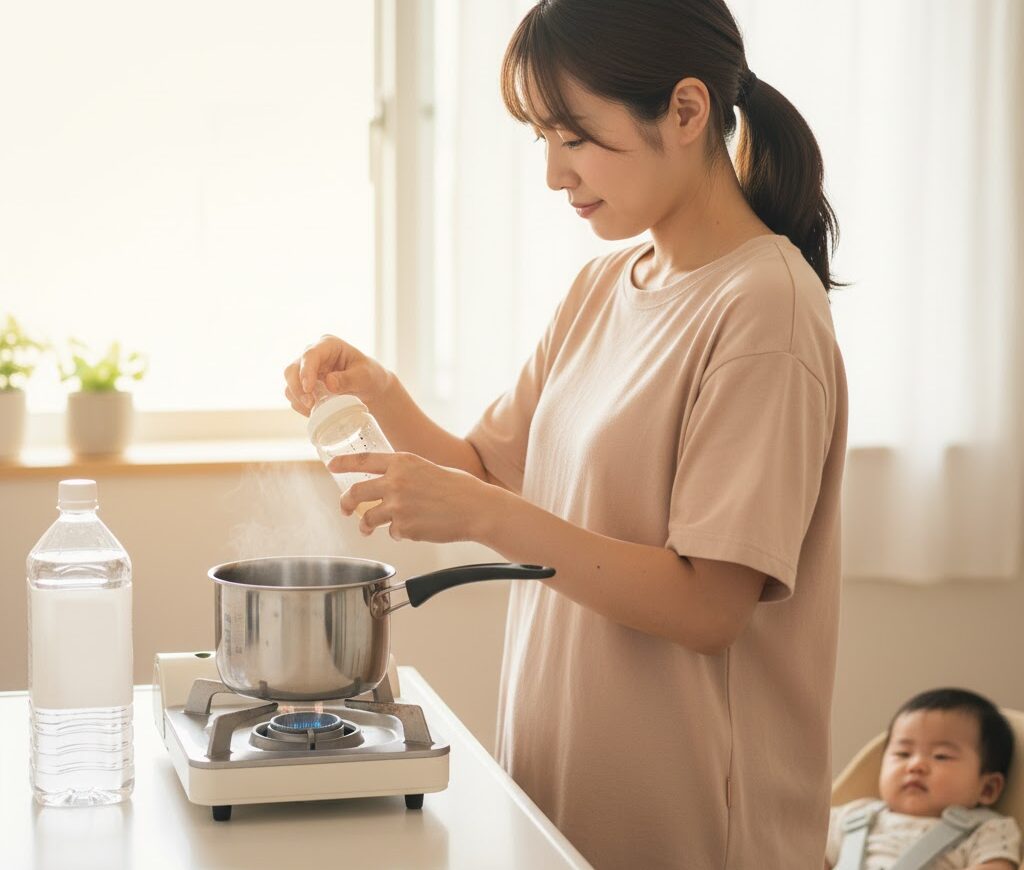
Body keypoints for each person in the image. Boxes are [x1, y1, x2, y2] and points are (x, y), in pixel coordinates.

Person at [284, 1, 847, 867]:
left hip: (694, 832)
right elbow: (488, 471)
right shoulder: (603, 285)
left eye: (574, 137)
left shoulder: (764, 309)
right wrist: (383, 393)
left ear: (687, 112)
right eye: (542, 138)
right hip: (567, 803)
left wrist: (479, 513)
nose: (553, 173)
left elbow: (707, 607)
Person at [827, 688, 1021, 870]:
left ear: (987, 788)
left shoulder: (989, 831)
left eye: (941, 756)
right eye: (903, 754)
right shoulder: (851, 816)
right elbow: (805, 858)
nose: (915, 765)